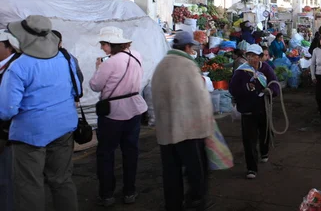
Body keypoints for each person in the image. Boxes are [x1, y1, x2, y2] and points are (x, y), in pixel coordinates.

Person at [0, 15, 80, 211]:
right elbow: (77, 90)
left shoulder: (19, 67)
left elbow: (7, 110)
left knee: (29, 186)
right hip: (64, 127)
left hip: (30, 134)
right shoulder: (65, 57)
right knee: (62, 180)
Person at [152, 31, 214, 211]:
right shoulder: (188, 65)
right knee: (196, 171)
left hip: (166, 131)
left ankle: (173, 205)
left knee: (171, 173)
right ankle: (195, 202)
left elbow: (155, 97)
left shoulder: (161, 66)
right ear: (187, 47)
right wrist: (208, 128)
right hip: (190, 131)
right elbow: (201, 100)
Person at [90, 26, 147, 206]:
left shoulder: (109, 63)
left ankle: (107, 194)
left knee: (106, 153)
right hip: (134, 109)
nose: (101, 48)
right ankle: (129, 191)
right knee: (130, 152)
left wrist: (98, 68)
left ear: (110, 44)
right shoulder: (136, 55)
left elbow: (95, 86)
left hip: (113, 113)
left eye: (103, 44)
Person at [229, 44, 279, 180]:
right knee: (249, 140)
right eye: (249, 56)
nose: (252, 59)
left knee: (264, 133)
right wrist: (246, 88)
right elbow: (232, 89)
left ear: (260, 57)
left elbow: (274, 83)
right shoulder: (241, 71)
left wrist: (271, 91)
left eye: (255, 56)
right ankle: (251, 168)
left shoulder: (266, 69)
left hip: (263, 108)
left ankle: (264, 152)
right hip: (248, 110)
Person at [0, 30, 21, 211]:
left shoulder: (17, 65)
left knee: (6, 177)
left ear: (7, 46)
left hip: (8, 130)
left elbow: (11, 106)